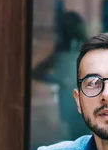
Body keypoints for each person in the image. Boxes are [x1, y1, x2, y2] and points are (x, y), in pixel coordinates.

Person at [33, 11, 91, 140]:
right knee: (76, 136)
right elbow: (37, 72)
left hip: (83, 98)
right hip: (69, 98)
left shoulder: (87, 49)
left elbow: (38, 71)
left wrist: (60, 81)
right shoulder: (62, 50)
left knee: (83, 135)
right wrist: (59, 80)